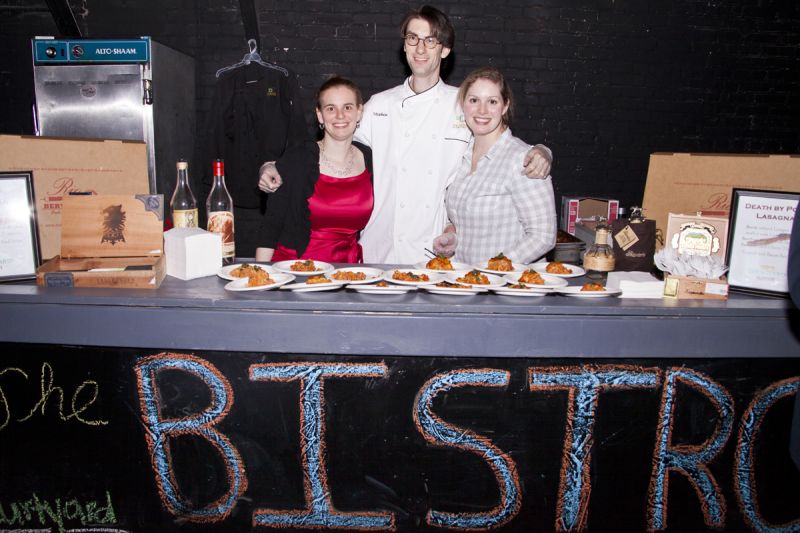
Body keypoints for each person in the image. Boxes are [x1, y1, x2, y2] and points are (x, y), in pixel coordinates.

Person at [259, 5, 553, 264]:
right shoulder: (379, 105)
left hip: (432, 251)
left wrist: (541, 150)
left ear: (445, 49)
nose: (421, 48)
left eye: (430, 40)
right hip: (377, 248)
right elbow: (334, 143)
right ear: (404, 46)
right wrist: (276, 166)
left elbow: (498, 140)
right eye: (413, 39)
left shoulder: (462, 106)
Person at [432, 67, 556, 265]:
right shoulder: (462, 156)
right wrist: (452, 235)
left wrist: (492, 269)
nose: (482, 110)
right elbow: (466, 220)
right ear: (463, 104)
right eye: (474, 100)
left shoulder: (523, 159)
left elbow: (543, 236)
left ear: (505, 106)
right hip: (466, 282)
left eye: (492, 101)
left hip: (507, 288)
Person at [254, 76, 373, 263]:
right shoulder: (298, 157)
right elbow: (271, 226)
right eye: (330, 108)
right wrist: (260, 281)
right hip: (296, 272)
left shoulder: (370, 158)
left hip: (348, 275)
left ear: (359, 112)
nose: (340, 116)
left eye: (348, 107)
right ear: (320, 115)